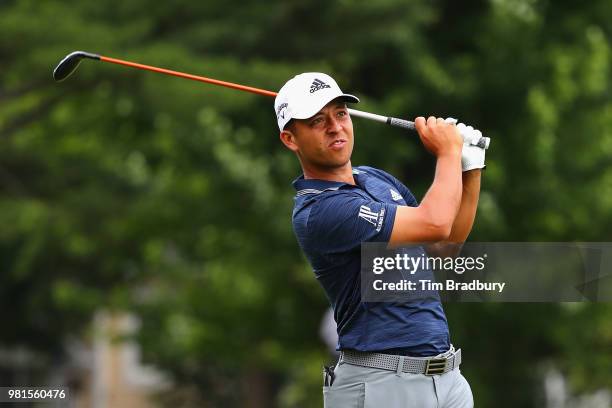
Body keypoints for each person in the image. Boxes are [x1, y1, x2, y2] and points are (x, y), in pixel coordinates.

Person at [275, 72, 486, 408]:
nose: (335, 126)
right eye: (317, 121)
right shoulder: (320, 210)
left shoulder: (375, 179)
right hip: (382, 384)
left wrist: (469, 166)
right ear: (290, 139)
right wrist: (447, 152)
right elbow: (436, 222)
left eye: (340, 114)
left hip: (447, 378)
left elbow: (444, 248)